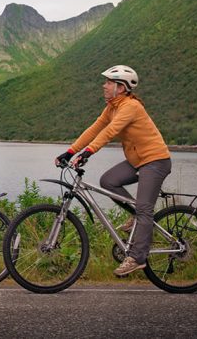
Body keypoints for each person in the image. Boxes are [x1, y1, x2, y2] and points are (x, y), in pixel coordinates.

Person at [55, 65, 171, 276]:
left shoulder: (131, 107)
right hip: (137, 160)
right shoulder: (112, 107)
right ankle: (137, 217)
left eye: (108, 82)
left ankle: (137, 257)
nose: (104, 86)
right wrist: (70, 152)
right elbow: (95, 128)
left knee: (145, 209)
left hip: (155, 161)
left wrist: (88, 152)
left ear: (120, 87)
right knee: (108, 181)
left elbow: (110, 131)